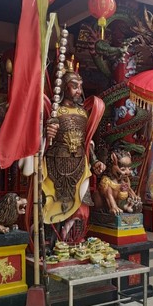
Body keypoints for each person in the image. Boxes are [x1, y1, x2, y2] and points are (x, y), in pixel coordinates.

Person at [44, 60, 105, 238]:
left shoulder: (83, 113)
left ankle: (75, 240)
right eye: (74, 86)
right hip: (57, 163)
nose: (78, 91)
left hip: (80, 163)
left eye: (80, 87)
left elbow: (86, 142)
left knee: (80, 203)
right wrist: (47, 132)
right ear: (64, 88)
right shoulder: (55, 111)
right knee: (54, 202)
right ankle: (53, 241)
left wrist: (94, 161)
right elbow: (44, 141)